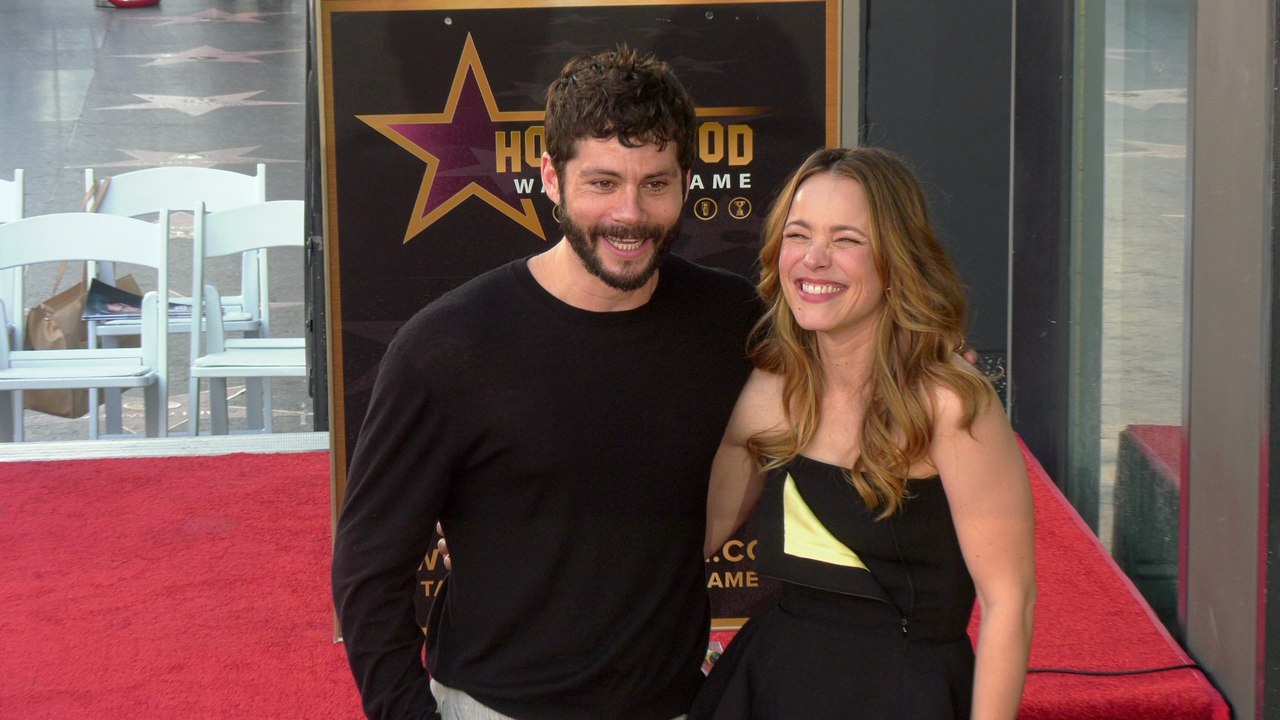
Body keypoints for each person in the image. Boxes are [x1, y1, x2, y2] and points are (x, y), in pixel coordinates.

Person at [331, 45, 761, 719]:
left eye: (655, 183)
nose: (630, 213)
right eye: (601, 183)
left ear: (686, 184)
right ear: (551, 179)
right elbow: (368, 571)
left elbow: (847, 375)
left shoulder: (731, 319)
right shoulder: (446, 348)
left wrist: (933, 363)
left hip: (673, 702)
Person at [691, 147, 1036, 719]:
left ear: (897, 261)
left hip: (904, 693)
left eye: (847, 240)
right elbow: (690, 543)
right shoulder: (766, 393)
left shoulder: (950, 405)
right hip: (772, 682)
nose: (814, 259)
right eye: (799, 235)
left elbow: (1010, 601)